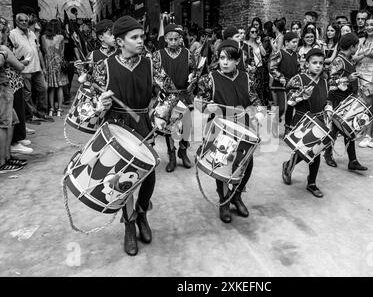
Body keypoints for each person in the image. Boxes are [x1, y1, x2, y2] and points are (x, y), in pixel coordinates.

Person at [91, 15, 156, 256]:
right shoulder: (103, 67)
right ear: (120, 41)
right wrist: (100, 104)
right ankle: (129, 225)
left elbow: (167, 91)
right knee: (123, 178)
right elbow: (87, 106)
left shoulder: (150, 63)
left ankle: (142, 215)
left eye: (142, 36)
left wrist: (162, 111)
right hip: (116, 126)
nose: (141, 41)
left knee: (148, 176)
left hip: (143, 124)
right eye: (135, 37)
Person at [195, 39, 264, 223]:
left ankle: (237, 195)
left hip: (243, 125)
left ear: (237, 60)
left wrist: (259, 111)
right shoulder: (209, 78)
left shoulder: (246, 77)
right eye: (222, 58)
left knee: (246, 164)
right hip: (221, 126)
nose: (225, 62)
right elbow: (199, 101)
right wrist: (205, 107)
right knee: (223, 164)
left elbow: (254, 98)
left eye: (229, 59)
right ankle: (224, 200)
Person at [281, 48, 328, 197]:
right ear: (306, 63)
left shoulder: (324, 81)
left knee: (316, 152)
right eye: (314, 62)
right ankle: (288, 165)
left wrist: (329, 108)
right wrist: (300, 95)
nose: (318, 66)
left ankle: (312, 182)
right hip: (302, 119)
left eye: (321, 63)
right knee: (301, 150)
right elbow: (290, 100)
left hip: (319, 120)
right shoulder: (298, 79)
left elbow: (327, 99)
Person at [152, 24, 197, 173]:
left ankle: (183, 151)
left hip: (184, 94)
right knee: (169, 128)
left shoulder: (188, 54)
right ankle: (171, 155)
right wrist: (163, 88)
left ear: (180, 39)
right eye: (170, 39)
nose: (172, 42)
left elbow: (193, 70)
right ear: (165, 39)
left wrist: (192, 79)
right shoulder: (158, 55)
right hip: (167, 95)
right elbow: (155, 75)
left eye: (176, 39)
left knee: (186, 125)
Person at [323, 33, 367, 171]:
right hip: (337, 99)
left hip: (347, 99)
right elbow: (330, 81)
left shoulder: (349, 60)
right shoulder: (338, 61)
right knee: (335, 129)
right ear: (352, 46)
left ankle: (352, 160)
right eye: (357, 46)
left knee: (350, 128)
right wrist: (348, 79)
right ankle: (328, 154)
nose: (357, 49)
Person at [9, 13, 53, 124]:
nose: (24, 22)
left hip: (36, 67)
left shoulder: (31, 33)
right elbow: (10, 52)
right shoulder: (12, 34)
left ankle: (42, 113)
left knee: (43, 89)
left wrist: (43, 67)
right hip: (24, 69)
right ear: (17, 22)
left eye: (25, 20)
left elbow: (38, 51)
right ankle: (30, 116)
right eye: (21, 21)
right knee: (27, 94)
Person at [352, 15, 373, 148]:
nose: (369, 27)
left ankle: (369, 136)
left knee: (369, 107)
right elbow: (354, 58)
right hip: (359, 75)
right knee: (360, 106)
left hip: (370, 77)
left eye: (372, 24)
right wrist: (364, 53)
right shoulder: (362, 40)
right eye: (367, 25)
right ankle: (361, 131)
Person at [0, 26, 27, 173]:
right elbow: (18, 65)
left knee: (11, 121)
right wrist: (4, 55)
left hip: (5, 87)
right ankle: (2, 162)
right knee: (4, 124)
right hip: (2, 88)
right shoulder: (3, 48)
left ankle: (7, 157)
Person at [269, 32, 300, 135]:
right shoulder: (280, 53)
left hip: (292, 85)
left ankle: (287, 128)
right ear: (286, 42)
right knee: (282, 107)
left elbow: (298, 69)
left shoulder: (296, 55)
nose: (296, 44)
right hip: (280, 85)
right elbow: (272, 67)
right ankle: (274, 122)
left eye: (297, 42)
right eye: (293, 42)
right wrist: (280, 77)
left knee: (290, 107)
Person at [41, 19, 68, 117]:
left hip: (48, 64)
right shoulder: (61, 37)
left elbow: (44, 51)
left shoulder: (43, 37)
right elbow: (62, 52)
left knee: (51, 88)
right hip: (58, 64)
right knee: (60, 87)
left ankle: (51, 109)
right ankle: (60, 109)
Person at [245, 26, 267, 104]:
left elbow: (264, 54)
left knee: (260, 88)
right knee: (252, 88)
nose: (254, 33)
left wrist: (260, 43)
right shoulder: (245, 43)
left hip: (259, 67)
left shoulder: (258, 43)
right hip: (250, 69)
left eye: (256, 31)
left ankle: (260, 106)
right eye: (252, 32)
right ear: (249, 33)